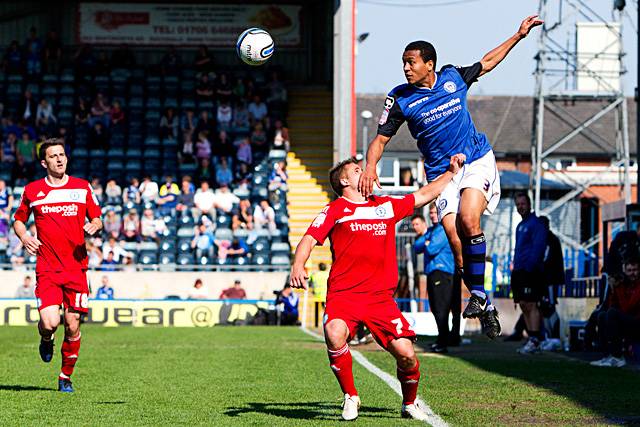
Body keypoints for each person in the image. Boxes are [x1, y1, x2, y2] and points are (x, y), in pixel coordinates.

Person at [358, 16, 543, 339]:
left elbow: (487, 62)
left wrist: (518, 35)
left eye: (411, 62)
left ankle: (479, 295)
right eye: (403, 63)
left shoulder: (453, 78)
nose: (405, 68)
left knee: (469, 220)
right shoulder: (400, 98)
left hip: (474, 160)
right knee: (455, 241)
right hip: (442, 175)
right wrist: (371, 165)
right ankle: (482, 302)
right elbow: (381, 139)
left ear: (430, 64)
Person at [290, 154, 464, 421]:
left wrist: (451, 173)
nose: (366, 172)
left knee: (406, 355)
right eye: (359, 170)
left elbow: (421, 196)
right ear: (345, 180)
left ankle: (410, 403)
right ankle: (350, 396)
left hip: (380, 299)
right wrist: (298, 265)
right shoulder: (335, 210)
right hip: (344, 296)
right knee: (333, 332)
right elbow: (310, 239)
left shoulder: (385, 206)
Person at [12, 139, 103, 393]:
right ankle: (46, 338)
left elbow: (97, 217)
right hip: (48, 268)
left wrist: (95, 225)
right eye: (54, 156)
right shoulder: (33, 190)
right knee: (51, 322)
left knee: (73, 325)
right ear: (44, 162)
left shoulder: (82, 187)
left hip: (76, 269)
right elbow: (18, 220)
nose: (60, 159)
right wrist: (24, 236)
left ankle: (65, 377)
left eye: (62, 155)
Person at [411, 206, 459, 353]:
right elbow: (417, 246)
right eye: (431, 213)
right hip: (434, 272)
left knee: (441, 308)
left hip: (442, 272)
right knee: (438, 308)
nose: (433, 215)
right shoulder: (432, 231)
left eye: (435, 212)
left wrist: (427, 242)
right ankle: (443, 339)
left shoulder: (443, 229)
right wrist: (426, 239)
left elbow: (431, 249)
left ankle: (444, 341)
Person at [511, 193, 547, 354]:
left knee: (531, 304)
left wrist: (529, 267)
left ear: (529, 204)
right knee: (523, 304)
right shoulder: (520, 226)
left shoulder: (536, 224)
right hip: (519, 271)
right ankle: (532, 338)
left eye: (523, 204)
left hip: (530, 271)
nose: (520, 207)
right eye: (518, 204)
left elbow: (538, 248)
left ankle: (536, 339)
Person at [590, 257, 640, 368]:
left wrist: (618, 288)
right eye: (630, 270)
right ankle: (607, 356)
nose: (633, 273)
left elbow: (628, 307)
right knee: (602, 315)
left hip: (637, 322)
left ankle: (617, 357)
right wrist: (613, 290)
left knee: (612, 313)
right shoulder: (624, 284)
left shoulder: (634, 285)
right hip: (629, 321)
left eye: (635, 270)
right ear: (625, 271)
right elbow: (611, 307)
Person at [539, 216, 563, 347]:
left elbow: (547, 261)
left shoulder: (551, 240)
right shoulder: (544, 239)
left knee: (550, 306)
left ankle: (555, 338)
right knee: (544, 307)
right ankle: (548, 337)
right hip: (545, 280)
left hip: (550, 280)